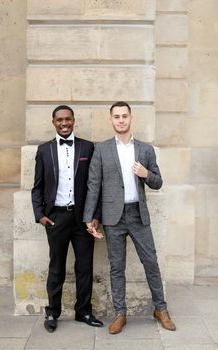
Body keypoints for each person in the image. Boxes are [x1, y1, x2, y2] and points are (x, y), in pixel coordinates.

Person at [83, 101, 176, 334]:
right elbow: (94, 185)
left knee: (151, 262)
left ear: (131, 118)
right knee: (116, 267)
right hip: (112, 217)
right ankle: (120, 313)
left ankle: (161, 309)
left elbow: (158, 181)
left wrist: (146, 174)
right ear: (111, 120)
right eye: (117, 116)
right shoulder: (101, 149)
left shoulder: (145, 149)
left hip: (137, 214)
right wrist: (89, 217)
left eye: (125, 116)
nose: (121, 120)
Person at [31, 105, 103, 332]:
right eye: (59, 120)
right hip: (56, 218)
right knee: (56, 267)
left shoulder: (87, 147)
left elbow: (96, 186)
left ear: (74, 120)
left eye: (68, 119)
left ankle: (84, 311)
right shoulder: (44, 150)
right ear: (54, 122)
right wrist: (40, 215)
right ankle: (52, 313)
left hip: (83, 219)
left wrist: (94, 216)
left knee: (84, 267)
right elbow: (37, 187)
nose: (64, 123)